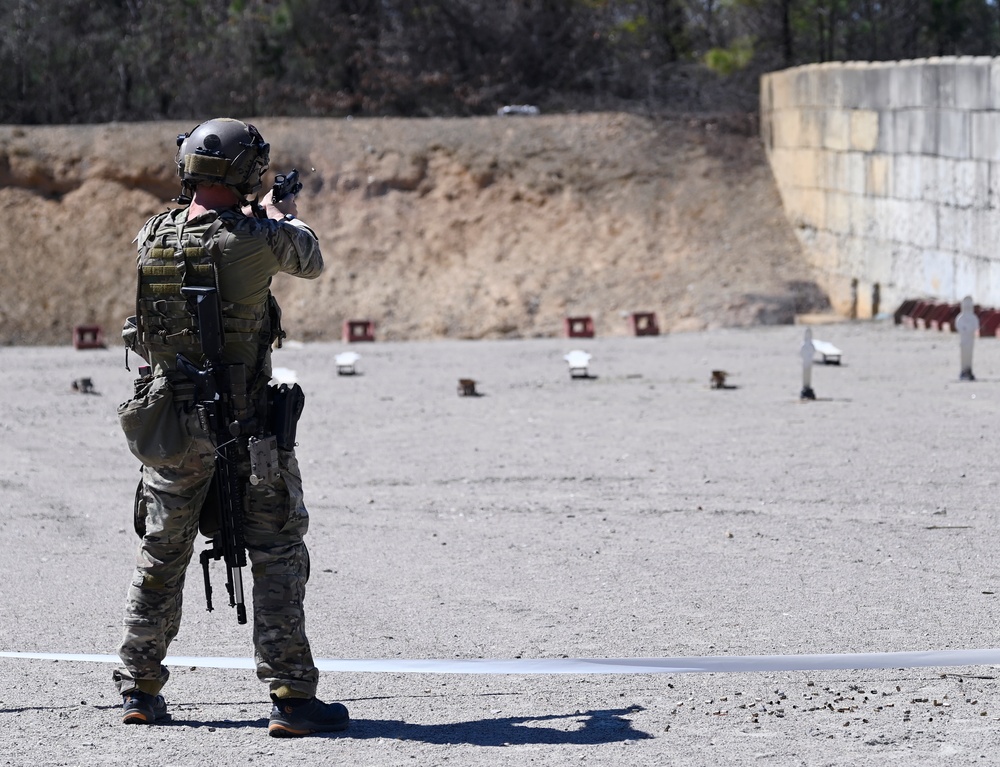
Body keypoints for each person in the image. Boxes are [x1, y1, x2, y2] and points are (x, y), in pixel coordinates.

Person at [113, 118, 348, 737]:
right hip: (246, 424)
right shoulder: (256, 238)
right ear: (246, 172)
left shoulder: (152, 235)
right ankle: (292, 695)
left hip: (171, 423)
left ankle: (139, 686)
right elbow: (310, 257)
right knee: (277, 549)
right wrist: (281, 213)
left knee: (162, 552)